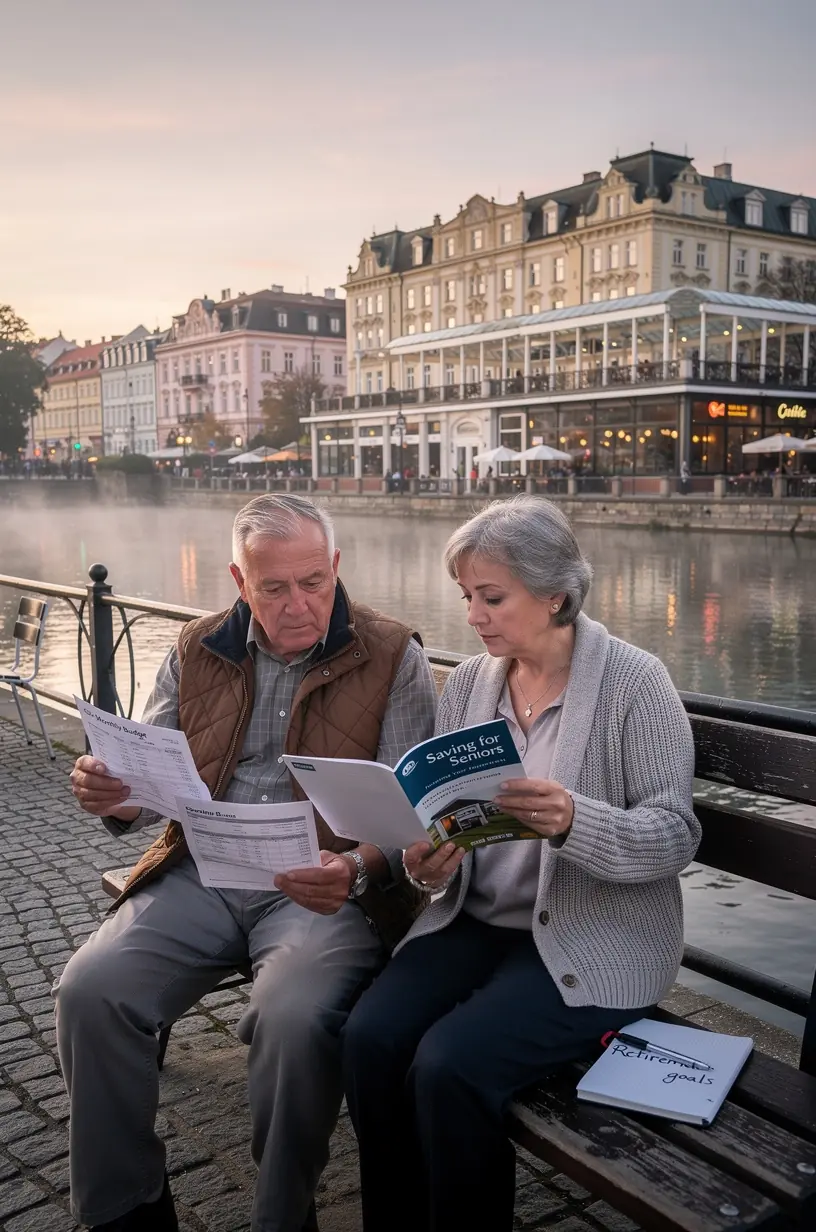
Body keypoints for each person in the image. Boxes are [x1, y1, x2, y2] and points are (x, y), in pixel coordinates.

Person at [57, 493, 438, 1232]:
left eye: (314, 582)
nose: (299, 605)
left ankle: (281, 1215)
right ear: (240, 581)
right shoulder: (197, 647)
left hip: (321, 889)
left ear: (335, 567)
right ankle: (124, 1209)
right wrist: (112, 793)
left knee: (294, 1018)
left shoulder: (395, 653)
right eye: (274, 588)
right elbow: (148, 776)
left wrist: (355, 871)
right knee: (89, 992)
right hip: (203, 870)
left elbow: (411, 814)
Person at [343, 495, 700, 1232]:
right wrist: (428, 864)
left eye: (492, 597)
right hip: (473, 922)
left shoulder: (636, 684)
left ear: (556, 596)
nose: (473, 614)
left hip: (590, 936)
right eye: (467, 596)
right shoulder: (474, 681)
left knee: (449, 1066)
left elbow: (674, 836)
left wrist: (575, 819)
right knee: (370, 1039)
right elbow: (441, 827)